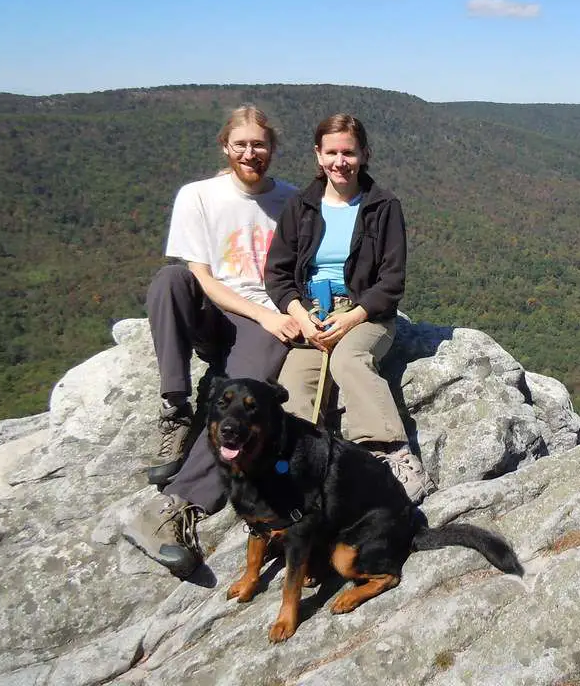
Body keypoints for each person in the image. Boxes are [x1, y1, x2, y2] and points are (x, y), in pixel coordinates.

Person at [122, 105, 299, 577]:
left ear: (273, 150)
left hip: (264, 321)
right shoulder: (199, 196)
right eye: (240, 143)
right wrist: (263, 312)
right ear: (225, 146)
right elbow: (202, 277)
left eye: (259, 144)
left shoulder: (293, 201)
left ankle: (171, 508)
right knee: (170, 279)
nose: (250, 152)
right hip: (217, 310)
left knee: (245, 392)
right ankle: (175, 407)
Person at [265, 113, 435, 503]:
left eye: (349, 152)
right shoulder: (301, 207)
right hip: (312, 315)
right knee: (291, 389)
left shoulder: (382, 206)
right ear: (318, 155)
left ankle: (392, 455)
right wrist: (299, 315)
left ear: (364, 154)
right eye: (331, 152)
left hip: (366, 314)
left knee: (348, 361)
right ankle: (299, 480)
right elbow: (277, 274)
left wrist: (353, 317)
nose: (340, 161)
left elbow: (391, 283)